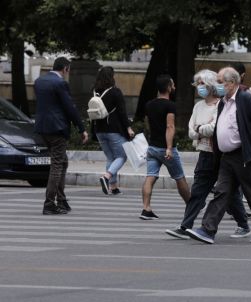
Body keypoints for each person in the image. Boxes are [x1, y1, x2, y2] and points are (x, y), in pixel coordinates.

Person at [186, 67, 251, 244]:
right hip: (226, 156)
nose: (217, 85)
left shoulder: (246, 99)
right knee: (221, 192)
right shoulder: (224, 102)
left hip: (243, 155)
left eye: (220, 81)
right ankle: (207, 230)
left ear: (231, 83)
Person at [165, 69, 250, 239]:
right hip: (204, 154)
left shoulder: (222, 105)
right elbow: (192, 132)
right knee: (198, 191)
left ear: (211, 85)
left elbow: (214, 128)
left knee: (228, 193)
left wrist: (200, 129)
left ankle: (243, 224)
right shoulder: (198, 106)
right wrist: (201, 129)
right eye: (197, 84)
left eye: (201, 84)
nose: (198, 88)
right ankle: (185, 225)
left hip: (220, 154)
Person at [34, 57, 89, 215]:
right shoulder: (60, 83)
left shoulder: (39, 82)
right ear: (65, 68)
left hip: (42, 128)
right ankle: (49, 203)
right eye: (68, 70)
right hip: (57, 129)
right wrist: (81, 128)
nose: (68, 73)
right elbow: (69, 108)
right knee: (57, 165)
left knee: (62, 162)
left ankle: (62, 200)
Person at [140, 74, 191, 220]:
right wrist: (169, 147)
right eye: (173, 85)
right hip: (166, 148)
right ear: (168, 88)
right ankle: (191, 205)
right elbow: (170, 126)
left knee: (150, 177)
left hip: (153, 148)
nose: (174, 87)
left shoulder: (149, 104)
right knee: (179, 177)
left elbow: (147, 124)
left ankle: (146, 208)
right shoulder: (170, 105)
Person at [92, 66, 134, 195]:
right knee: (121, 156)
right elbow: (122, 112)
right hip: (113, 130)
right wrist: (128, 128)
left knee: (111, 158)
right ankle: (106, 177)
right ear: (111, 77)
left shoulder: (95, 91)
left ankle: (113, 188)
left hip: (99, 130)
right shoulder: (115, 92)